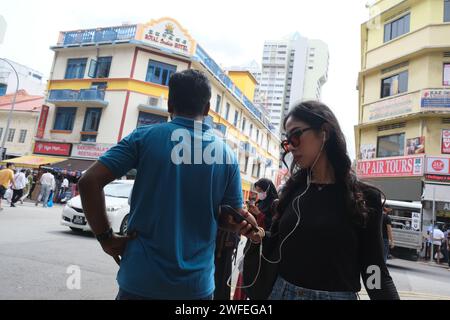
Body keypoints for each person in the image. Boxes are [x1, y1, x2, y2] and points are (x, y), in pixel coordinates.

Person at [78, 70, 260, 300]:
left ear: (170, 104)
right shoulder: (227, 155)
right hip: (196, 288)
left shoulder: (144, 138)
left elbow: (88, 182)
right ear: (207, 109)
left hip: (140, 281)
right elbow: (229, 217)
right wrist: (241, 224)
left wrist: (107, 239)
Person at [246, 101, 399, 300]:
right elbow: (276, 243)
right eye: (287, 141)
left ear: (324, 132)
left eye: (296, 135)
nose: (291, 147)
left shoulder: (364, 197)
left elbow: (373, 268)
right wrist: (255, 232)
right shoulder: (292, 191)